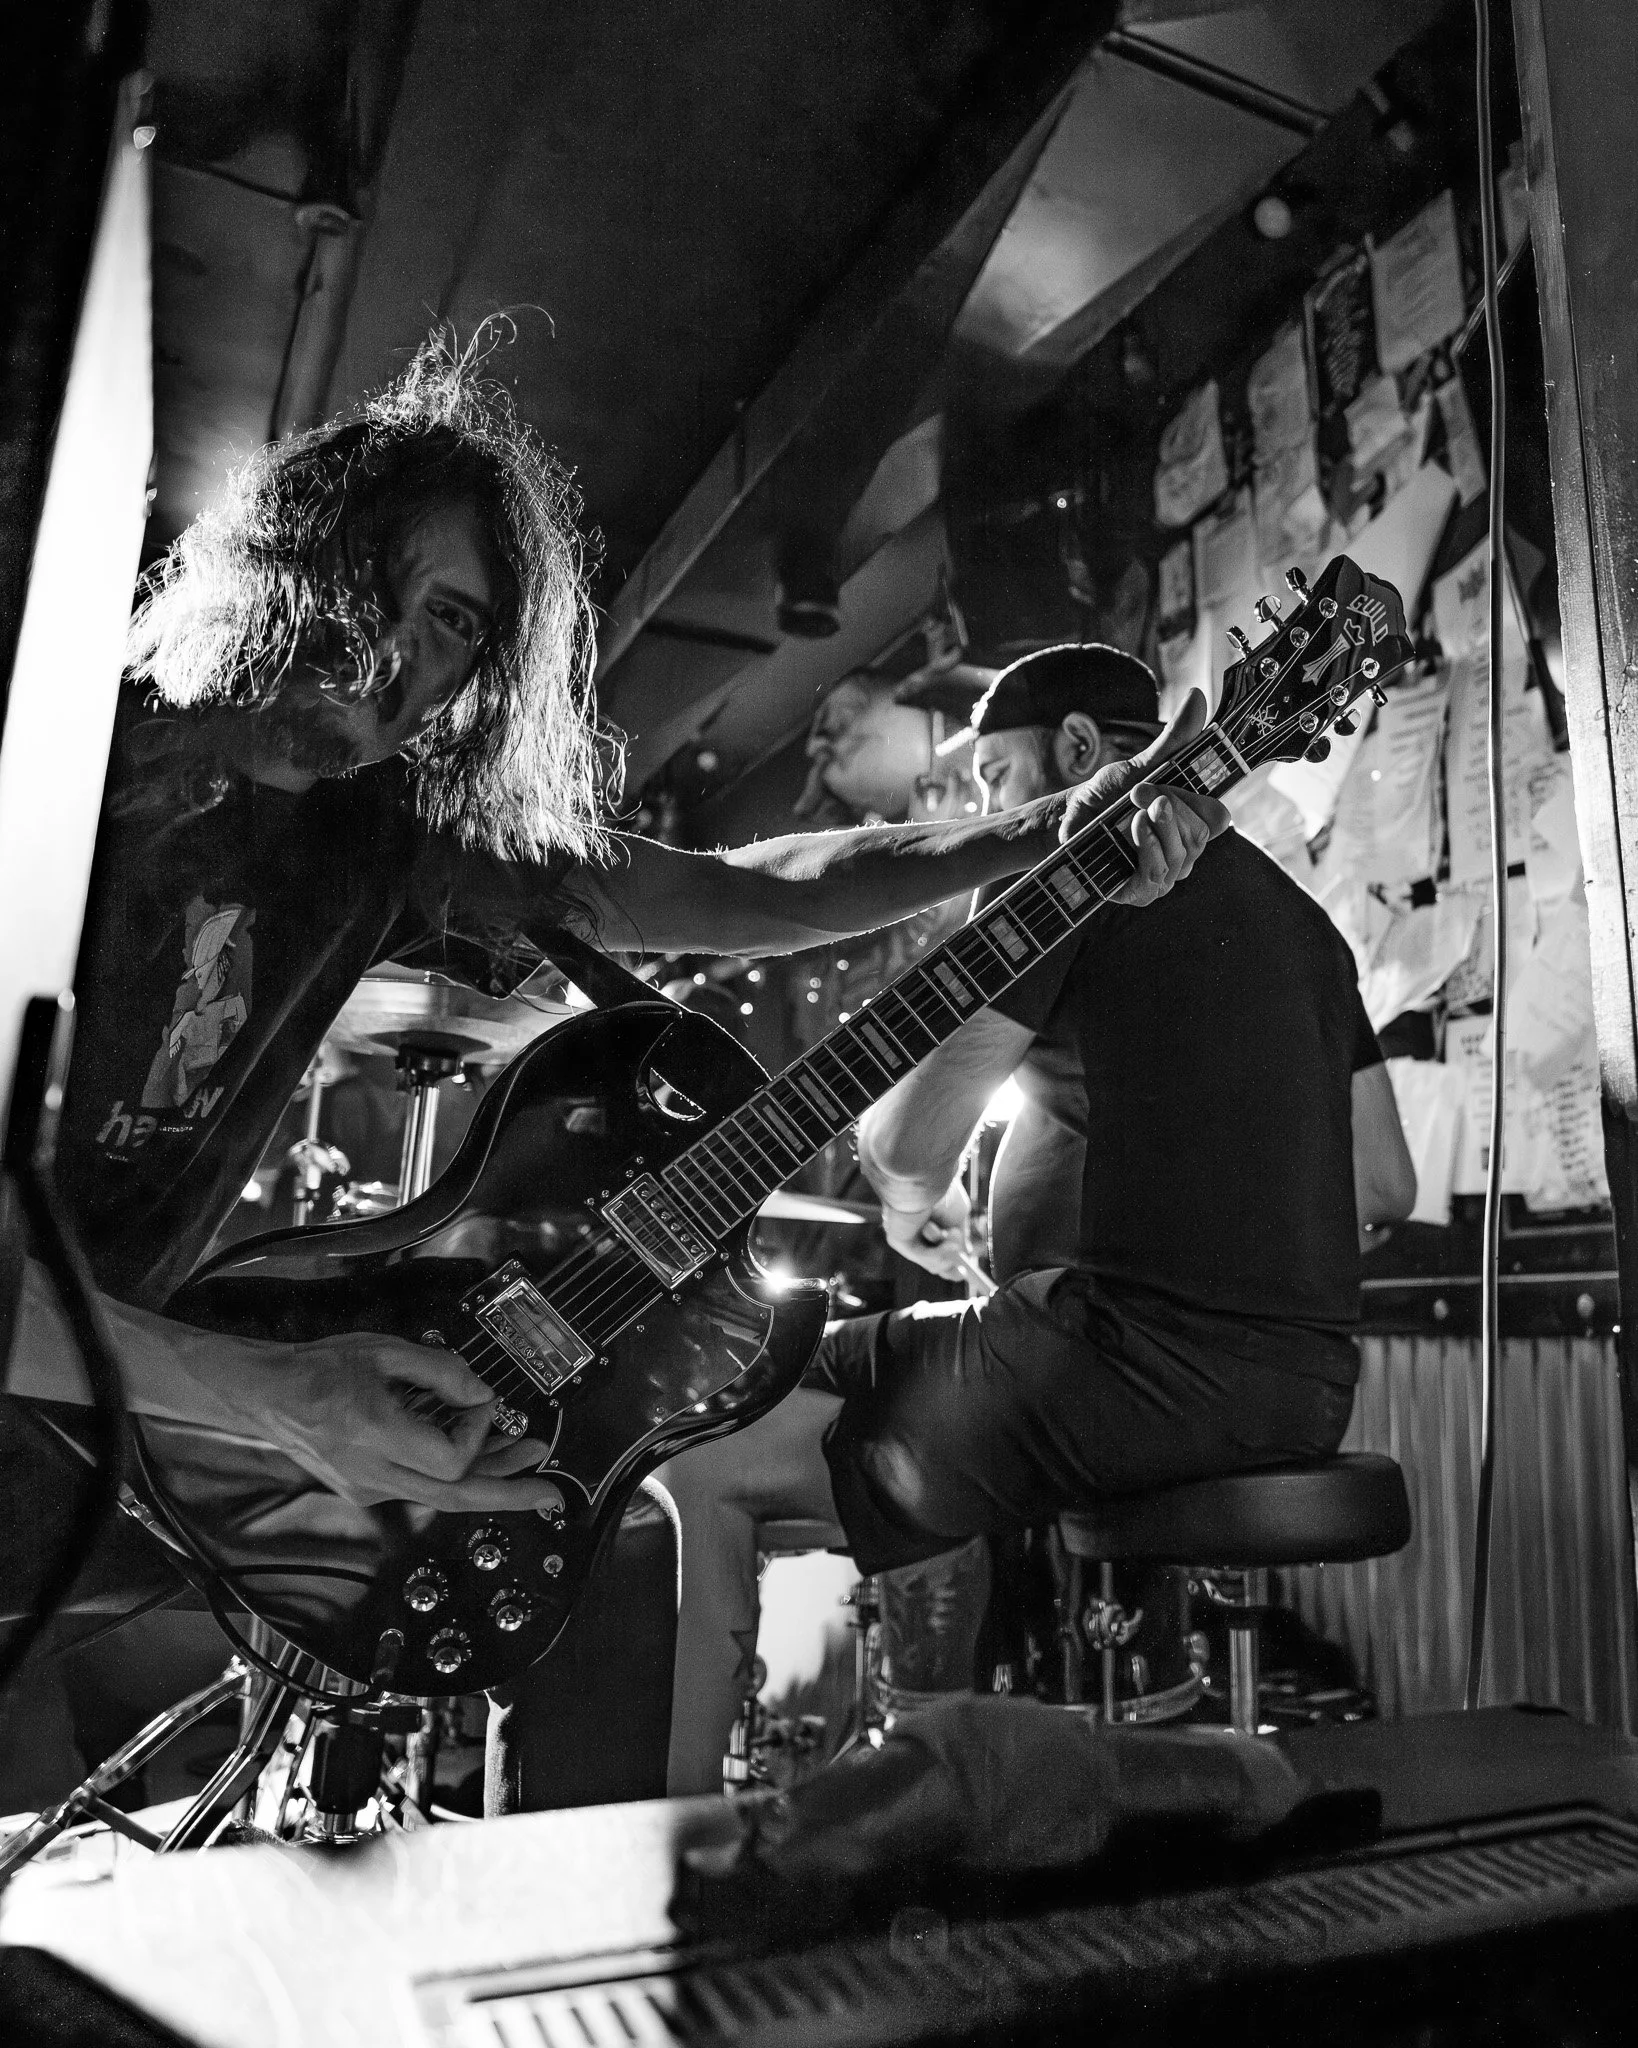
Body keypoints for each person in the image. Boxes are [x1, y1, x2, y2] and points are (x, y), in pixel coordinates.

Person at [0, 340, 1224, 1800]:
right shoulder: (60, 765)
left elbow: (756, 893)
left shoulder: (380, 842)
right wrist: (267, 1394)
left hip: (67, 1438)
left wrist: (1054, 834)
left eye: (451, 623)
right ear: (281, 561)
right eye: (370, 592)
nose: (398, 663)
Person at [660, 640, 1417, 1793]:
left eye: (998, 780)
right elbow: (1385, 1187)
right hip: (1301, 1388)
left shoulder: (1063, 871)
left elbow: (904, 1144)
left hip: (1105, 1367)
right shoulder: (1309, 929)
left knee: (707, 1443)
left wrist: (921, 1199)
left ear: (1073, 753)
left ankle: (664, 1852)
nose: (989, 813)